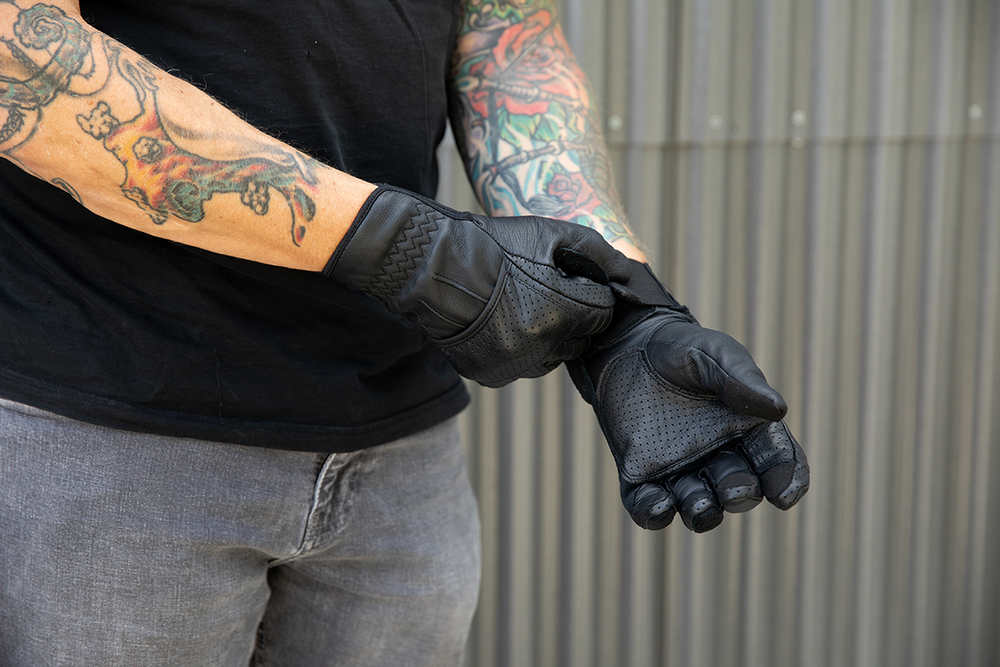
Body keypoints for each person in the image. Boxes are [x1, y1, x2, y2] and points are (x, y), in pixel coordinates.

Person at [0, 1, 808, 665]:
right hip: (110, 429)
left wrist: (623, 312)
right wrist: (410, 249)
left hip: (399, 451)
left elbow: (506, 36)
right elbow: (23, 52)